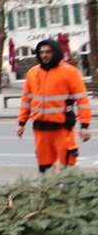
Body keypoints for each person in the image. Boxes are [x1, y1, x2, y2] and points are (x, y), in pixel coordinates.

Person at [16, 38, 92, 173]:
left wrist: (84, 126)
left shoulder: (70, 72)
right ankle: (48, 192)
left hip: (62, 127)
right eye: (41, 52)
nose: (44, 55)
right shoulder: (33, 73)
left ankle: (69, 192)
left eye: (48, 52)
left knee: (68, 167)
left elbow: (82, 100)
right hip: (40, 129)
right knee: (45, 167)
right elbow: (26, 100)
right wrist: (21, 123)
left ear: (56, 52)